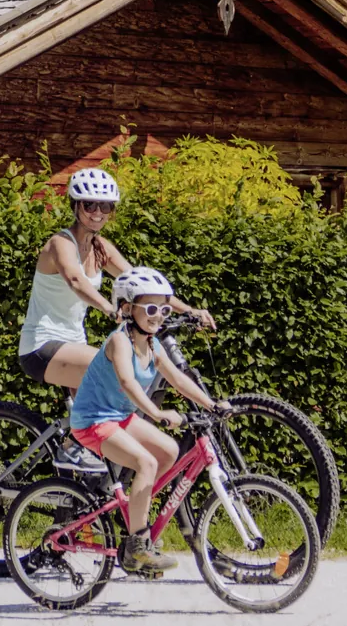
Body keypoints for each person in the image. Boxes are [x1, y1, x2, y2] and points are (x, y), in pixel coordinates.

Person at [17, 167, 211, 467]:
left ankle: (76, 495)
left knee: (109, 410)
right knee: (112, 369)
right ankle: (72, 445)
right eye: (89, 204)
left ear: (112, 211)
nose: (97, 212)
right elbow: (75, 281)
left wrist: (189, 311)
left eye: (105, 205)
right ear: (75, 206)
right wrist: (109, 308)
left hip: (73, 345)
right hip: (42, 346)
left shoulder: (101, 249)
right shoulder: (60, 243)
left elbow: (145, 286)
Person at [69, 266, 231, 575]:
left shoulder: (153, 344)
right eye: (152, 308)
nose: (159, 316)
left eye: (165, 309)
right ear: (128, 308)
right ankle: (137, 546)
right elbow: (129, 383)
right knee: (145, 463)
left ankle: (134, 514)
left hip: (119, 417)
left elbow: (179, 380)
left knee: (169, 451)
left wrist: (211, 405)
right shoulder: (120, 342)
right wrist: (157, 414)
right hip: (92, 421)